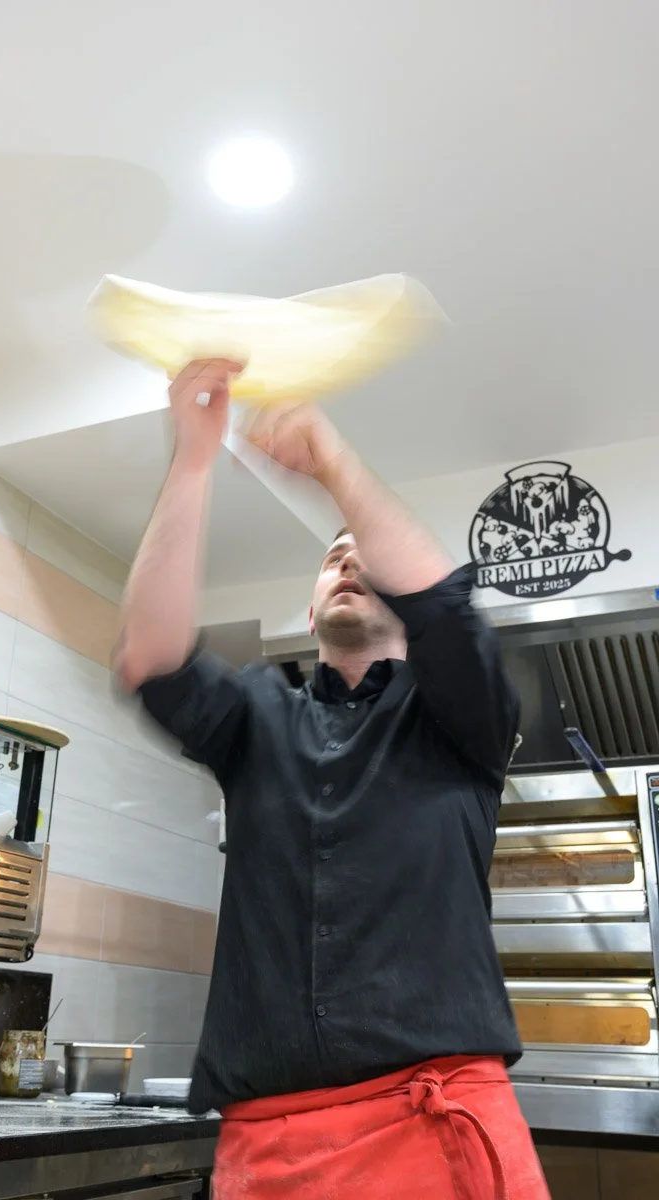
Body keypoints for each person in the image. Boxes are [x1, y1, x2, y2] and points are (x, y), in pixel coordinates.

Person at [113, 359, 550, 1200]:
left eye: (366, 560)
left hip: (436, 1130)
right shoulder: (254, 718)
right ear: (311, 615)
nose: (348, 562)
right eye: (329, 562)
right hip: (268, 1151)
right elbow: (151, 657)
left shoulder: (463, 718)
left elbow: (448, 613)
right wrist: (195, 458)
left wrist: (336, 467)